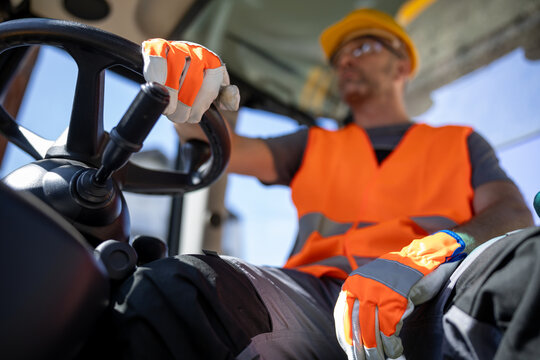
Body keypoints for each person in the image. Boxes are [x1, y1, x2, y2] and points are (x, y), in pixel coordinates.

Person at [109, 8, 535, 360]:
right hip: (312, 295)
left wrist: (431, 252)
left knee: (526, 276)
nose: (345, 61)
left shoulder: (460, 142)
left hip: (431, 287)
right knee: (178, 293)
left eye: (363, 47)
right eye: (339, 57)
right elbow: (220, 145)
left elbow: (512, 213)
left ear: (401, 66)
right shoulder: (312, 143)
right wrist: (184, 88)